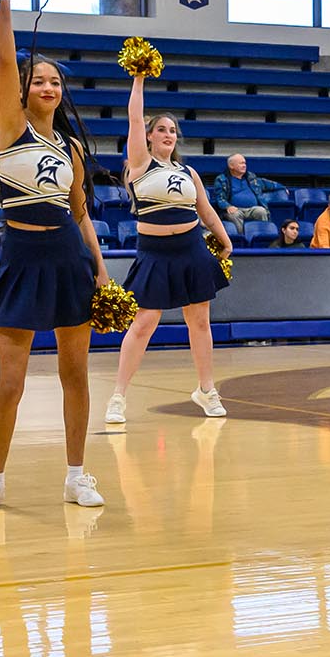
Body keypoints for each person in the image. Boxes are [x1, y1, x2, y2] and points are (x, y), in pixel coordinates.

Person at [0, 0, 111, 514]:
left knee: (76, 374)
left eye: (55, 81)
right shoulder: (11, 128)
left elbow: (79, 213)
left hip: (69, 259)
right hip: (21, 259)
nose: (47, 86)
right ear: (23, 91)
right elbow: (5, 57)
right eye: (38, 80)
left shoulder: (71, 149)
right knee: (11, 381)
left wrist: (100, 270)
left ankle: (76, 475)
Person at [104, 72, 233, 426]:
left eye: (173, 131)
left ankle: (206, 390)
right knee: (144, 322)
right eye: (161, 129)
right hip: (155, 251)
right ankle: (118, 396)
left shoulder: (188, 171)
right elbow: (133, 116)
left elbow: (205, 210)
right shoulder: (140, 164)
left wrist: (224, 238)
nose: (168, 135)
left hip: (191, 248)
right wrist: (139, 79)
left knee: (200, 320)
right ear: (148, 135)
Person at [212, 154, 281, 225]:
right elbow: (220, 198)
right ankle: (239, 236)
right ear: (231, 166)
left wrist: (282, 187)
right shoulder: (222, 179)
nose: (244, 165)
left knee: (261, 211)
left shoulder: (251, 178)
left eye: (244, 163)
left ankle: (264, 235)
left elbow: (266, 184)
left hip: (252, 209)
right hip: (235, 209)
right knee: (235, 215)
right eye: (241, 163)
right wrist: (228, 206)